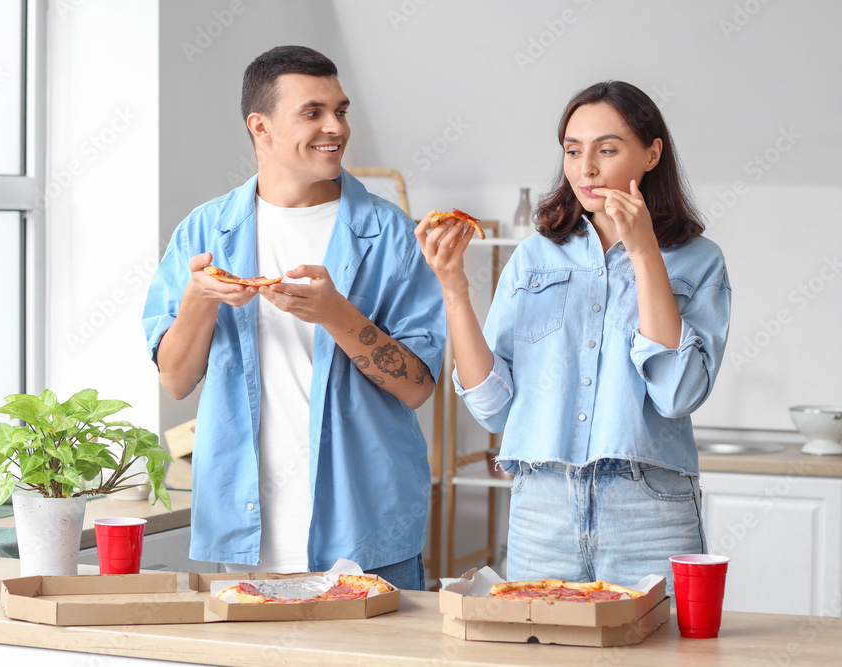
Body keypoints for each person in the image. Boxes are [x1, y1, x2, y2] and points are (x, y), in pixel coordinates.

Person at [142, 45, 446, 590]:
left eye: (341, 110)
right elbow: (176, 379)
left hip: (370, 532)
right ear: (261, 127)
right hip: (249, 536)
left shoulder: (392, 234)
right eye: (313, 112)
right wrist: (198, 299)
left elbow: (419, 387)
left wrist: (336, 315)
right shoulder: (205, 231)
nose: (337, 128)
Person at [416, 81, 731, 592]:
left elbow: (678, 395)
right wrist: (454, 290)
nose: (586, 168)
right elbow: (493, 407)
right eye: (572, 150)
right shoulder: (534, 258)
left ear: (652, 153)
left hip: (648, 509)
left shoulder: (698, 261)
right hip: (542, 508)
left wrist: (645, 251)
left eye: (607, 150)